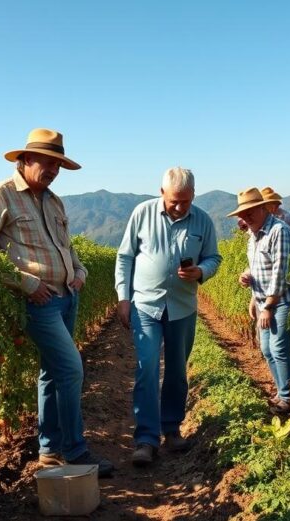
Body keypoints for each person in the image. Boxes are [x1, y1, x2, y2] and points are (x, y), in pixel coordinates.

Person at [0, 127, 113, 477]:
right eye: (47, 163)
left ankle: (49, 451)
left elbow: (67, 245)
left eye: (58, 165)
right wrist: (25, 282)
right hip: (38, 301)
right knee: (71, 369)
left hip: (67, 296)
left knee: (51, 374)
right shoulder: (2, 195)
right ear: (26, 159)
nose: (53, 170)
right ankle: (75, 451)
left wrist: (79, 271)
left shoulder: (54, 201)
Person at [115, 167, 222, 466]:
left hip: (182, 307)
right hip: (145, 305)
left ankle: (172, 429)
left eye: (185, 201)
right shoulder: (142, 213)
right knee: (147, 367)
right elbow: (125, 256)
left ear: (193, 195)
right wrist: (123, 297)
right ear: (162, 192)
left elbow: (214, 257)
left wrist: (201, 271)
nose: (179, 207)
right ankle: (146, 439)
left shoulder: (203, 220)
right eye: (174, 201)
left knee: (176, 369)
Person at [230, 187, 290, 414]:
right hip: (262, 301)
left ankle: (287, 397)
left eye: (250, 212)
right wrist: (247, 278)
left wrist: (269, 306)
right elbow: (258, 267)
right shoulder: (253, 235)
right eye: (243, 214)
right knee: (267, 349)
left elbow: (281, 273)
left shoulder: (279, 231)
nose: (246, 218)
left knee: (278, 347)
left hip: (281, 301)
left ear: (263, 208)